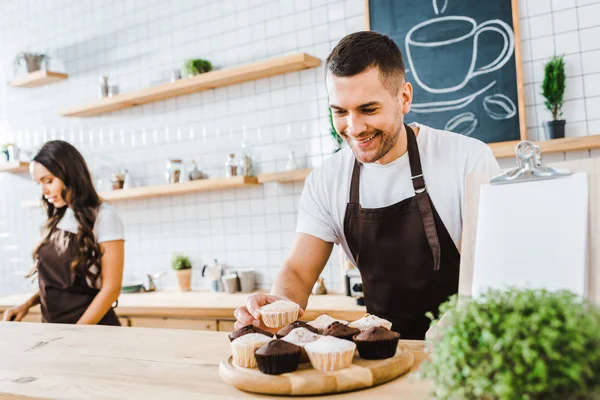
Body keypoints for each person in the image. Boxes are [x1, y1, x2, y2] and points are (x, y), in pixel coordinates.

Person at [234, 31, 501, 339]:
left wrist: (462, 320)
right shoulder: (326, 180)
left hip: (462, 349)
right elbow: (297, 271)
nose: (354, 127)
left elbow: (491, 271)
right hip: (379, 352)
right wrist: (277, 306)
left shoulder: (468, 159)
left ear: (404, 97)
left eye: (368, 109)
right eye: (340, 112)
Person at [2, 140, 125, 325]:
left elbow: (111, 289)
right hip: (56, 332)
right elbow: (60, 285)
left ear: (70, 174)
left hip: (93, 332)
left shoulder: (104, 216)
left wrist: (76, 333)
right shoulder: (60, 218)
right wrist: (26, 305)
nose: (44, 191)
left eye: (49, 181)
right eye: (39, 184)